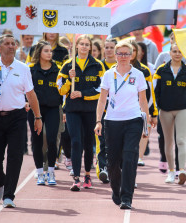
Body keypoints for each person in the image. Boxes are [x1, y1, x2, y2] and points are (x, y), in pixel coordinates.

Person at [0, 34, 42, 208]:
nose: (11, 46)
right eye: (6, 44)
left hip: (17, 118)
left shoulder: (22, 68)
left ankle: (9, 195)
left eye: (13, 43)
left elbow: (31, 94)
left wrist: (38, 117)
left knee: (15, 157)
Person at [94, 40, 150, 210]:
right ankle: (116, 189)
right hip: (112, 122)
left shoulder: (138, 75)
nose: (124, 57)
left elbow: (143, 100)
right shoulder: (108, 75)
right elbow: (102, 99)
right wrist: (98, 121)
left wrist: (146, 125)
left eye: (127, 53)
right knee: (112, 162)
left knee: (129, 157)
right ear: (115, 55)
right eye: (121, 53)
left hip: (133, 120)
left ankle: (127, 197)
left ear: (132, 55)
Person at [57, 34, 105, 191]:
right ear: (76, 46)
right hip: (72, 110)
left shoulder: (97, 65)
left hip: (91, 110)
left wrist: (82, 93)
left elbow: (101, 90)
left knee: (88, 142)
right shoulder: (67, 65)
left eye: (87, 44)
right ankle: (76, 178)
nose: (84, 46)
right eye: (81, 44)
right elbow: (60, 89)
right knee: (76, 141)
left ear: (90, 47)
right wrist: (70, 80)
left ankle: (88, 175)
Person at [154, 43, 186, 185]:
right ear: (169, 53)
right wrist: (158, 107)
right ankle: (171, 171)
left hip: (182, 109)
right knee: (168, 141)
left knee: (181, 140)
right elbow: (155, 90)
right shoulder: (161, 70)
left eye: (179, 51)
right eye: (174, 51)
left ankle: (181, 170)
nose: (177, 54)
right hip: (165, 110)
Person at [27, 40, 62, 186]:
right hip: (36, 109)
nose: (49, 53)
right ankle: (40, 172)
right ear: (39, 53)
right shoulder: (30, 69)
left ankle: (51, 171)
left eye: (50, 51)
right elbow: (25, 88)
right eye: (46, 51)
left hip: (53, 108)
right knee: (37, 140)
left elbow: (64, 91)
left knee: (53, 139)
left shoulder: (59, 69)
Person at [129, 40, 158, 167]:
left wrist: (152, 112)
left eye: (134, 50)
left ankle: (139, 158)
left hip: (140, 109)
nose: (130, 53)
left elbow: (150, 94)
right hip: (122, 110)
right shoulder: (115, 69)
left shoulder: (144, 70)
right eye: (128, 51)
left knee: (140, 136)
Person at [96, 38, 117, 184]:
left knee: (115, 141)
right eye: (107, 47)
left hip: (118, 110)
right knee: (102, 140)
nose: (109, 50)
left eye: (112, 47)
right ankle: (102, 168)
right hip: (101, 107)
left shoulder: (120, 66)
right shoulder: (98, 66)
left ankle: (115, 168)